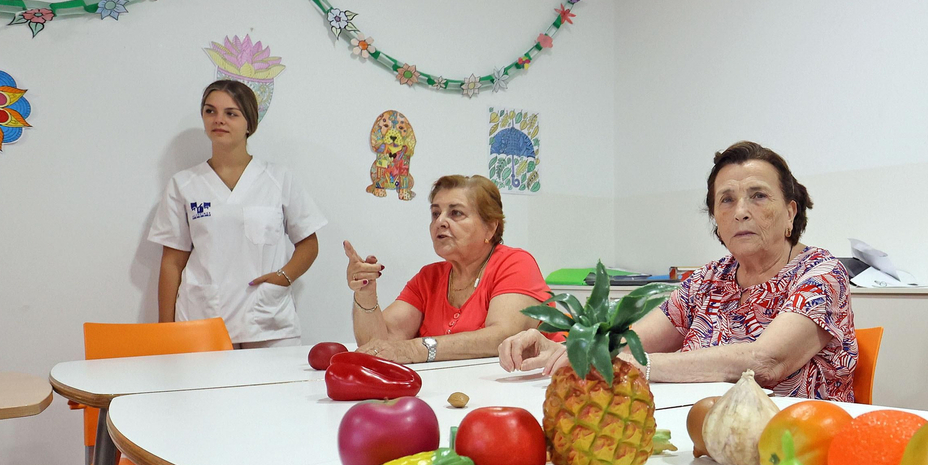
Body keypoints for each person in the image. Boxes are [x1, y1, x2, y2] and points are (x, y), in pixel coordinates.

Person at [499, 141, 857, 400]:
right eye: (727, 199)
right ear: (715, 218)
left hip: (797, 443)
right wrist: (563, 349)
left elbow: (766, 361)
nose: (740, 212)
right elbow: (631, 342)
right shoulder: (707, 280)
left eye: (758, 196)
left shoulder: (821, 274)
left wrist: (638, 365)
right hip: (698, 431)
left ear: (791, 212)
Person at [152, 80, 325, 348]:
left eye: (231, 113)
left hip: (268, 320)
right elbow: (172, 262)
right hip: (202, 319)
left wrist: (283, 277)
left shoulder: (278, 179)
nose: (219, 120)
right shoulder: (184, 184)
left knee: (276, 378)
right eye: (210, 111)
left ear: (249, 123)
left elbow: (308, 244)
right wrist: (165, 331)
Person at [345, 174, 556, 363]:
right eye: (435, 213)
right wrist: (365, 293)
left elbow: (503, 336)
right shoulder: (429, 277)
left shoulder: (515, 263)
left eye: (456, 213)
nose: (440, 222)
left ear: (490, 228)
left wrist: (417, 349)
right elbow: (378, 346)